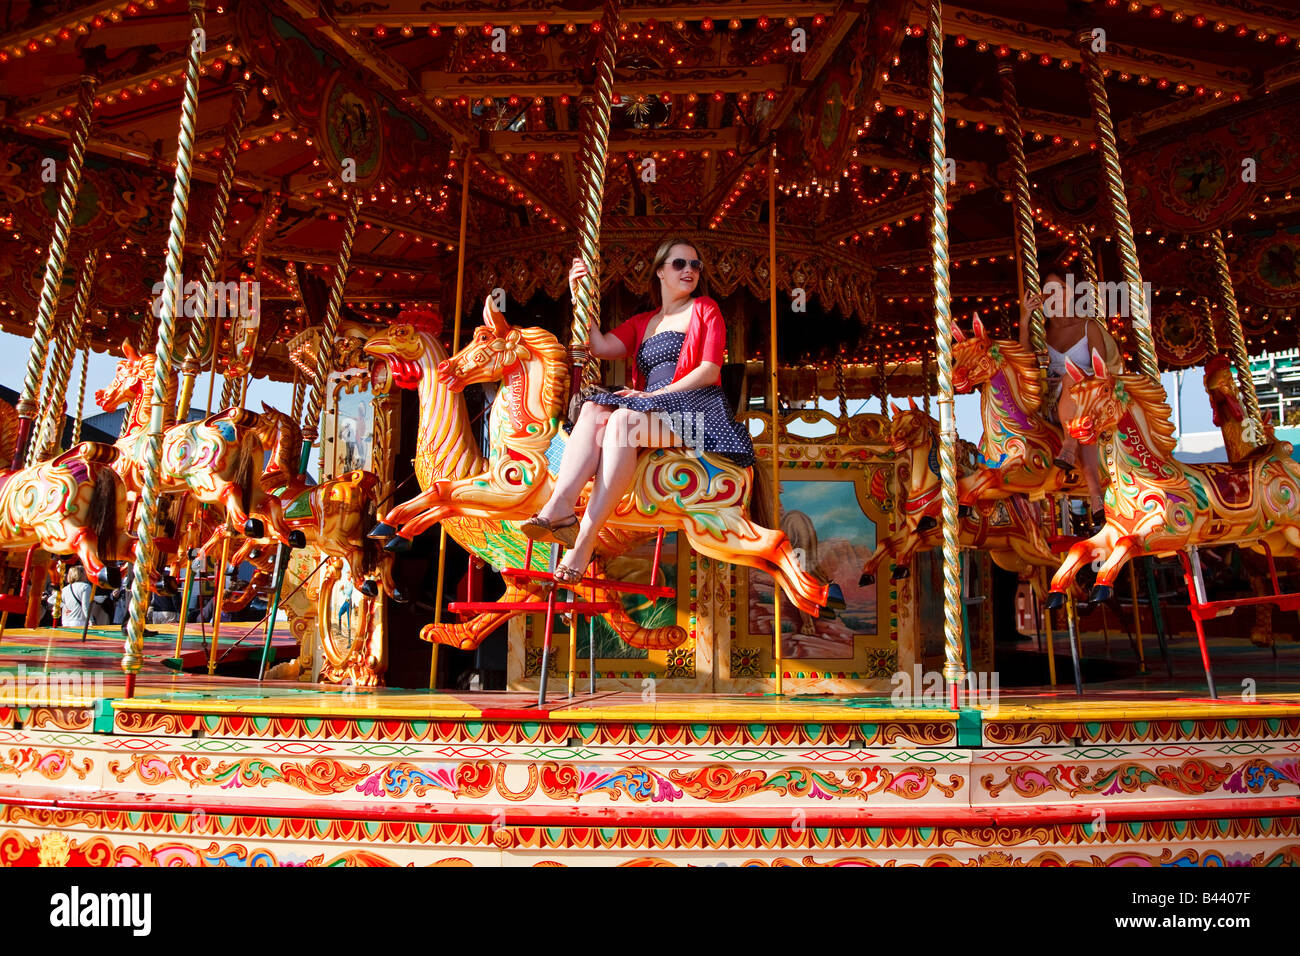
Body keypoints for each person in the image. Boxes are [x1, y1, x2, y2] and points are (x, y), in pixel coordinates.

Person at [520, 238, 756, 583]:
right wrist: (579, 295)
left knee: (623, 419)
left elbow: (708, 370)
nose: (689, 270)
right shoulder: (644, 322)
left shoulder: (705, 309)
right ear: (660, 271)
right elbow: (597, 346)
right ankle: (561, 506)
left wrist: (652, 397)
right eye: (679, 264)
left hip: (698, 413)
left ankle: (583, 541)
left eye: (695, 265)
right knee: (592, 410)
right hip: (654, 409)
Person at [1019, 267, 1109, 530]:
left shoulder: (1088, 326)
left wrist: (1075, 378)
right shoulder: (1042, 331)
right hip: (1055, 402)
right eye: (1049, 291)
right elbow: (1026, 361)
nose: (1054, 295)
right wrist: (1025, 320)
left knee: (1074, 379)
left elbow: (1101, 368)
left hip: (1089, 399)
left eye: (1060, 289)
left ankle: (1078, 462)